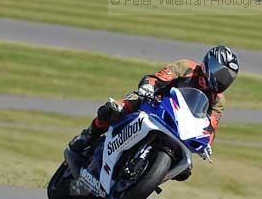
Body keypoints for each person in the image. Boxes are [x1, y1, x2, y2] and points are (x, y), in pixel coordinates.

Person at [69, 45, 240, 158]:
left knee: (185, 169)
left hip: (179, 127)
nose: (223, 80)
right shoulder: (186, 67)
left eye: (228, 77)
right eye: (222, 73)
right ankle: (88, 135)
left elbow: (211, 126)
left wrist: (207, 143)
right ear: (209, 64)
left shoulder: (218, 100)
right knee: (113, 110)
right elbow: (159, 78)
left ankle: (146, 175)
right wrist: (148, 87)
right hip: (154, 103)